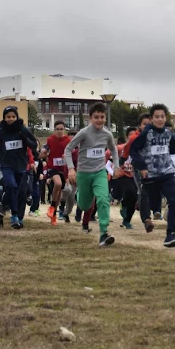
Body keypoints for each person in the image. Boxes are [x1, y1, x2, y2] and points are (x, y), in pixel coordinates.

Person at [65, 103, 122, 247]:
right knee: (84, 205)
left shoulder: (107, 134)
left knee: (103, 199)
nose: (99, 120)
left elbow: (113, 150)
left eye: (102, 117)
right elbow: (68, 149)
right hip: (83, 174)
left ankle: (104, 233)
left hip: (99, 172)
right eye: (96, 117)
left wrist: (116, 166)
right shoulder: (84, 133)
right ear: (90, 118)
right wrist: (71, 169)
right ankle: (79, 195)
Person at [130, 104, 175, 247]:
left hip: (167, 172)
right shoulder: (146, 134)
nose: (160, 119)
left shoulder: (169, 134)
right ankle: (148, 217)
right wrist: (142, 166)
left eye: (162, 116)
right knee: (149, 200)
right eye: (157, 117)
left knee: (174, 200)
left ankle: (170, 234)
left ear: (166, 118)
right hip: (151, 175)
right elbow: (133, 150)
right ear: (152, 118)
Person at [0, 106, 38, 229]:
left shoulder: (22, 129)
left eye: (13, 116)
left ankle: (3, 201)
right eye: (8, 117)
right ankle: (14, 216)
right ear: (4, 118)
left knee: (19, 191)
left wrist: (26, 141)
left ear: (17, 117)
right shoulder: (1, 131)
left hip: (21, 165)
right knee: (13, 186)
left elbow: (33, 143)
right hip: (6, 164)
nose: (11, 119)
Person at [45, 121, 71, 222]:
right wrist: (43, 151)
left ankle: (53, 215)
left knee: (59, 193)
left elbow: (72, 151)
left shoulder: (68, 140)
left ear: (64, 130)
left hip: (63, 169)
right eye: (57, 129)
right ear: (54, 130)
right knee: (58, 183)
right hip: (52, 167)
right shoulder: (50, 139)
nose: (59, 131)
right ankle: (52, 206)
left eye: (61, 129)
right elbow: (45, 147)